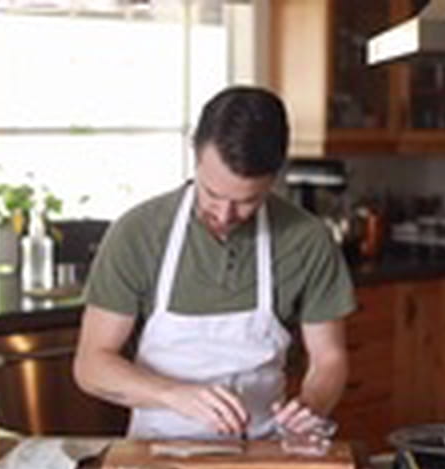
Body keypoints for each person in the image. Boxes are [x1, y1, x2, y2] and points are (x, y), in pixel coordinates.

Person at [73, 86, 356, 440]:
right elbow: (92, 365)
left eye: (247, 201)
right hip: (157, 451)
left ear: (275, 176)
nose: (224, 214)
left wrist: (311, 404)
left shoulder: (307, 240)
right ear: (195, 154)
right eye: (212, 194)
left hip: (264, 450)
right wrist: (173, 394)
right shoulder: (139, 233)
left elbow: (329, 360)